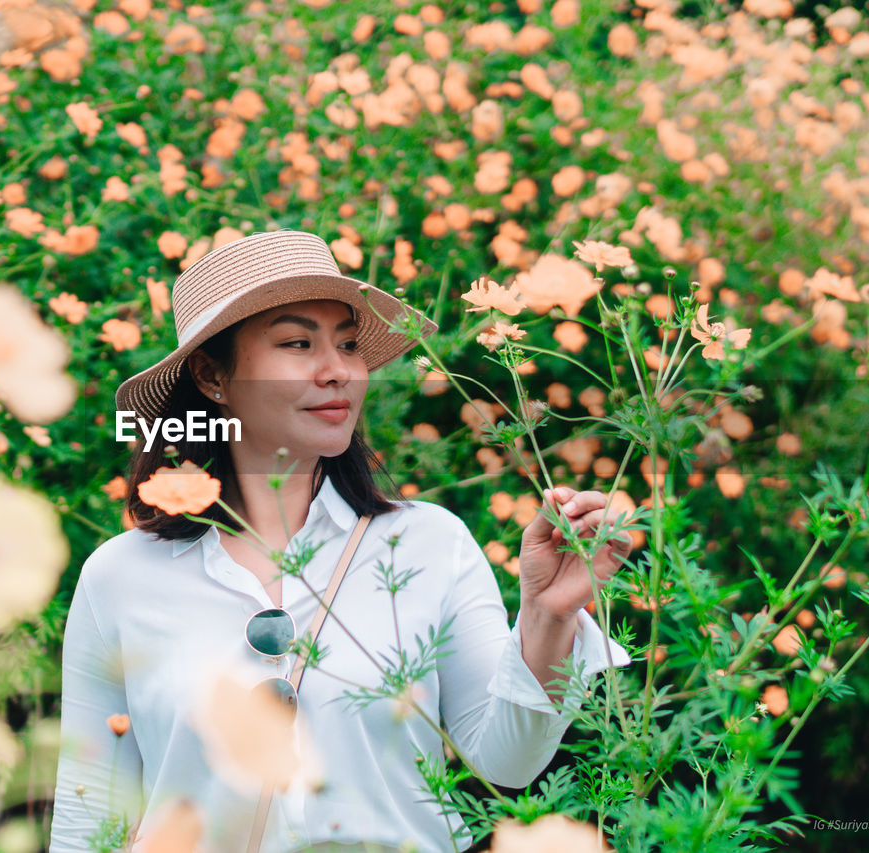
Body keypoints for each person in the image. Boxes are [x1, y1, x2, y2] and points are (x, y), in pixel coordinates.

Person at [49, 230, 633, 853]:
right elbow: (90, 815)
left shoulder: (429, 544)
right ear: (212, 375)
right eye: (298, 343)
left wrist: (547, 613)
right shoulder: (122, 575)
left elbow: (506, 764)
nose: (338, 372)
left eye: (349, 345)